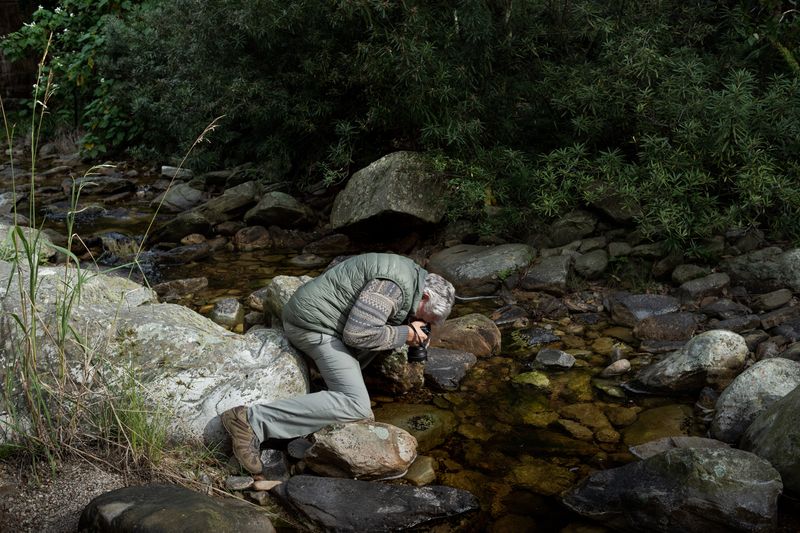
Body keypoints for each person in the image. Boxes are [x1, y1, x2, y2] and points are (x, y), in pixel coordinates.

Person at [221, 252, 456, 474]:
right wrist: (406, 333)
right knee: (357, 406)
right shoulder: (391, 287)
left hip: (324, 319)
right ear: (425, 296)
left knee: (380, 344)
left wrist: (410, 329)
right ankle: (250, 421)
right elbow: (357, 335)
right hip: (313, 326)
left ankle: (322, 395)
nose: (422, 322)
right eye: (426, 317)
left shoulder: (412, 276)